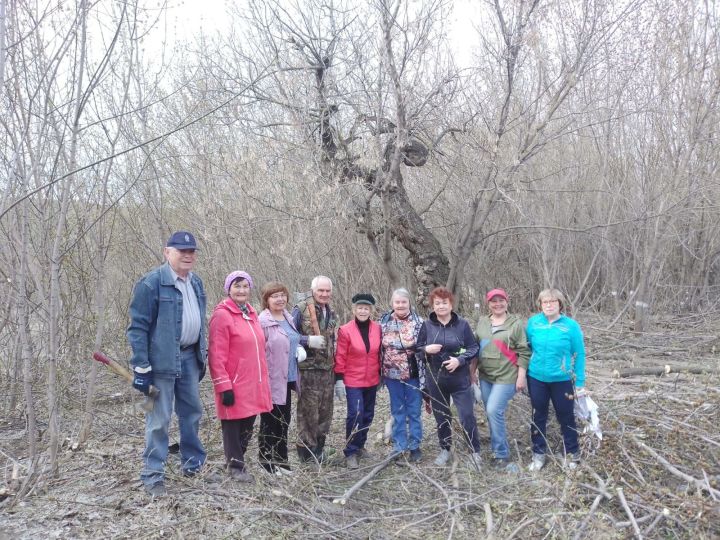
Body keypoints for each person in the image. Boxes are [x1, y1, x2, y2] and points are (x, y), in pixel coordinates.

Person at [128, 231, 207, 497]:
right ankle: (153, 476)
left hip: (189, 359)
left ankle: (193, 465)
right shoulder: (151, 283)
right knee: (159, 419)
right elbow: (137, 327)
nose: (188, 255)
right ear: (167, 252)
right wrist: (141, 366)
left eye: (192, 251)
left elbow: (199, 322)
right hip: (160, 364)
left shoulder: (196, 283)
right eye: (181, 250)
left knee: (192, 413)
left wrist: (201, 356)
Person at [208, 271, 272, 483]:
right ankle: (235, 466)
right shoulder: (222, 315)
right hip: (233, 382)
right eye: (237, 286)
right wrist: (223, 384)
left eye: (245, 286)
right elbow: (216, 354)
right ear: (228, 289)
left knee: (248, 422)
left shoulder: (251, 313)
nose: (242, 290)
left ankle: (237, 460)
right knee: (233, 425)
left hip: (253, 381)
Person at [417, 287, 481, 468]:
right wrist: (425, 350)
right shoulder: (427, 325)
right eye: (437, 303)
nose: (441, 306)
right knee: (441, 416)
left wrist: (460, 360)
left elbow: (474, 348)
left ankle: (474, 452)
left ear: (451, 304)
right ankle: (445, 449)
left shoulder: (462, 325)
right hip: (436, 379)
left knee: (467, 415)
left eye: (444, 302)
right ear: (433, 306)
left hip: (460, 379)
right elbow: (417, 351)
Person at [525, 288, 587, 471]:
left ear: (560, 304)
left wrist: (581, 383)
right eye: (545, 302)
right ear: (540, 305)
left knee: (566, 416)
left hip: (562, 379)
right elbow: (527, 347)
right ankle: (538, 455)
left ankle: (572, 454)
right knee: (538, 416)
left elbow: (580, 354)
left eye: (553, 302)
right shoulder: (533, 323)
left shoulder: (570, 326)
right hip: (536, 378)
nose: (549, 305)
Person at [473, 288, 530, 472]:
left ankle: (502, 455)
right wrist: (471, 373)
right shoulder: (482, 322)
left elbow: (523, 350)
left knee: (493, 409)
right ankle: (497, 448)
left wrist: (521, 376)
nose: (498, 304)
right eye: (493, 301)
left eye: (501, 300)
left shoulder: (516, 324)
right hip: (485, 376)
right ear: (488, 303)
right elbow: (475, 348)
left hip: (507, 376)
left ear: (507, 301)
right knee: (492, 414)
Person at [257, 282, 305, 474]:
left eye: (282, 295)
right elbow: (258, 351)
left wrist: (298, 347)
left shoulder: (287, 317)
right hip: (271, 379)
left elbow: (291, 338)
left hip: (288, 378)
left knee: (284, 421)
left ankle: (282, 460)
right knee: (270, 421)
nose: (280, 299)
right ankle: (266, 462)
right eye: (274, 296)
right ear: (266, 300)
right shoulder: (263, 322)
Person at [292, 276, 337, 463]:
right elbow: (288, 335)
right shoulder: (301, 308)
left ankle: (319, 450)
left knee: (325, 411)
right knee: (308, 413)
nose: (324, 294)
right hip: (307, 370)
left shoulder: (331, 312)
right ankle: (306, 454)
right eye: (321, 290)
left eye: (327, 291)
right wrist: (306, 340)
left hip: (327, 370)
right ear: (313, 290)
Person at [334, 293, 382, 469]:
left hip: (372, 379)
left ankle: (360, 445)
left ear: (371, 310)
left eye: (366, 308)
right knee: (356, 414)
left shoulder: (377, 329)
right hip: (352, 380)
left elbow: (380, 353)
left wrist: (381, 374)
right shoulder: (345, 330)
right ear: (354, 309)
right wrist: (339, 378)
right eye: (360, 308)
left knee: (368, 415)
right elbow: (340, 355)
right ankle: (351, 451)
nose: (363, 311)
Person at [380, 288, 425, 463]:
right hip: (391, 375)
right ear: (392, 303)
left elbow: (423, 347)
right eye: (397, 302)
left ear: (409, 303)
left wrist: (411, 346)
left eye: (403, 302)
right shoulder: (384, 321)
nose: (400, 305)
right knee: (398, 410)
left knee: (413, 411)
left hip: (413, 373)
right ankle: (399, 445)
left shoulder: (419, 322)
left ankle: (415, 445)